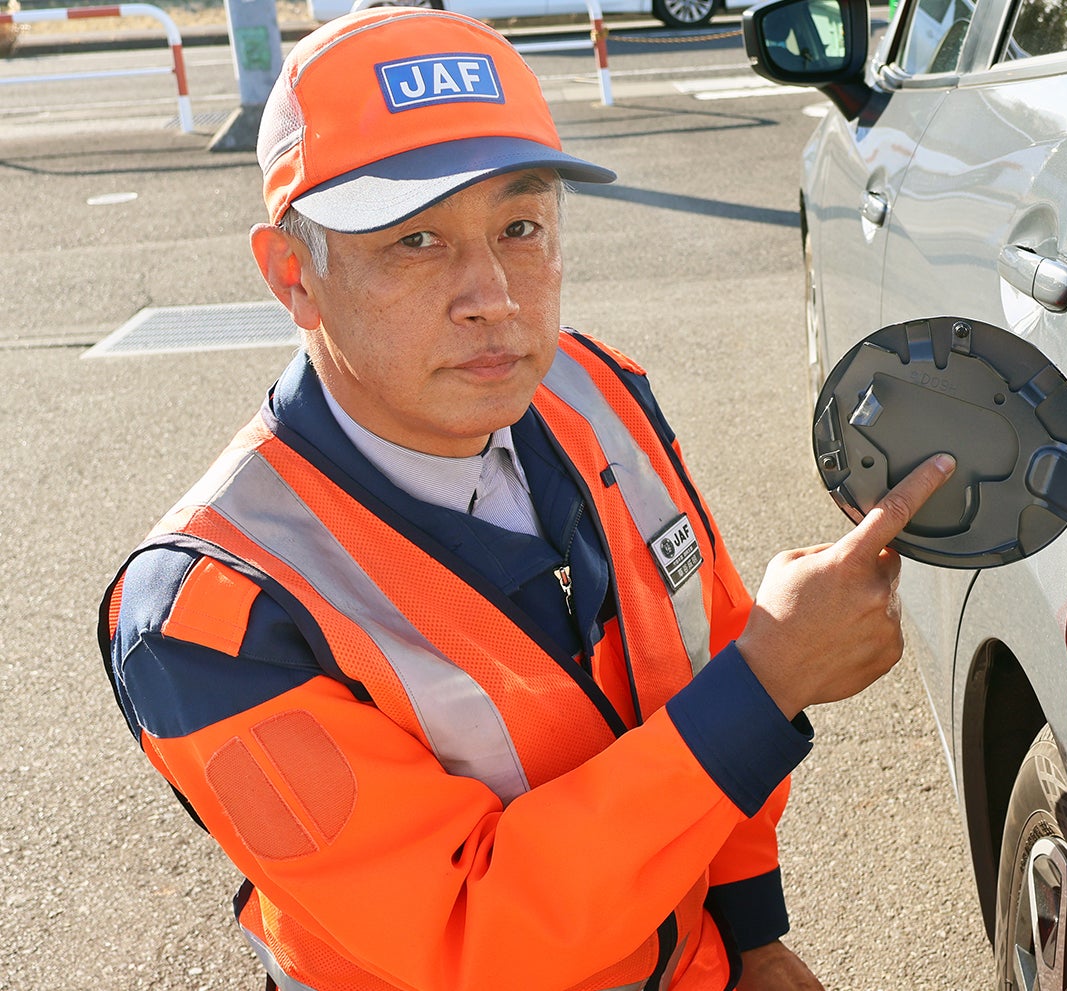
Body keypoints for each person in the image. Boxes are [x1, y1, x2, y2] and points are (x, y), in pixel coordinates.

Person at [97, 8, 953, 991]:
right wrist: (766, 684)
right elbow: (469, 939)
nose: (495, 295)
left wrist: (749, 931)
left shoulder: (594, 389)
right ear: (294, 275)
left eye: (520, 227)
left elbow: (698, 657)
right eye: (415, 240)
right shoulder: (213, 617)